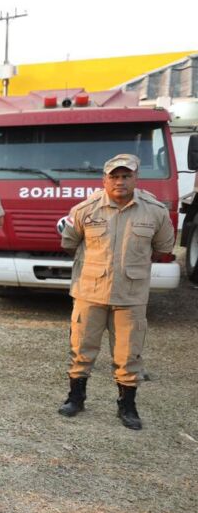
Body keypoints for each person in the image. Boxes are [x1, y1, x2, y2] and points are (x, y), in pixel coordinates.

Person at [57, 153, 175, 430]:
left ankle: (127, 406)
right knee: (81, 350)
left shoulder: (154, 211)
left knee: (128, 354)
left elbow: (163, 248)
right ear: (104, 179)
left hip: (130, 297)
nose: (120, 182)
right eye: (114, 176)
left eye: (126, 176)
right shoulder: (85, 209)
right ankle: (76, 398)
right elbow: (69, 243)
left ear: (136, 178)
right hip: (90, 292)